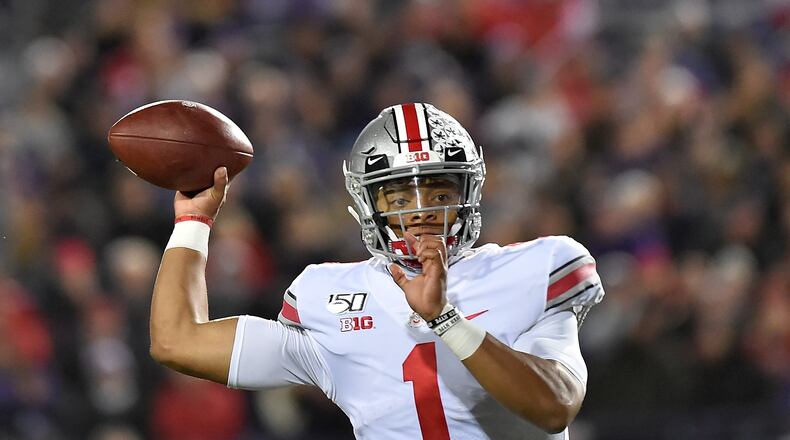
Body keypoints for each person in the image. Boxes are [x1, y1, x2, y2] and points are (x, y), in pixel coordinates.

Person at [150, 103, 605, 439]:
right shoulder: (326, 297)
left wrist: (446, 320)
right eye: (401, 199)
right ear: (369, 205)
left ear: (470, 192)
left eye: (439, 192)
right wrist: (193, 222)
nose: (423, 211)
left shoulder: (533, 267)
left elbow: (555, 406)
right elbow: (176, 340)